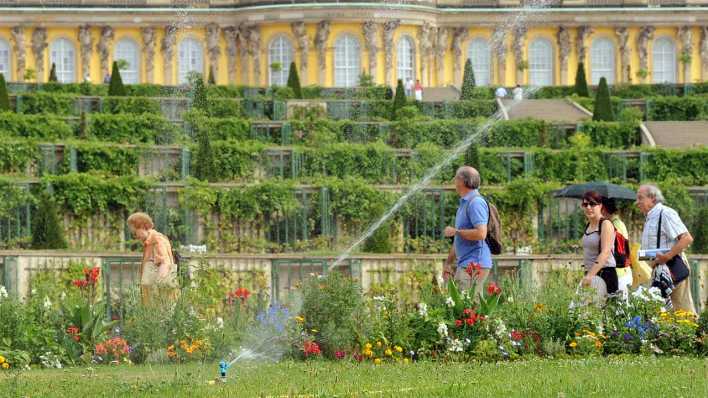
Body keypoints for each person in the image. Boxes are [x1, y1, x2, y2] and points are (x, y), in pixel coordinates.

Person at [636, 184, 695, 314]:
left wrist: (667, 256)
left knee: (682, 310)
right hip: (659, 269)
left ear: (652, 198)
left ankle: (698, 335)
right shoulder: (650, 217)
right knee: (663, 312)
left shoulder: (665, 213)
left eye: (640, 198)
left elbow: (687, 238)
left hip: (673, 267)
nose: (637, 202)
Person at [443, 166, 492, 297]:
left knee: (469, 308)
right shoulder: (464, 203)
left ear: (462, 181)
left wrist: (456, 231)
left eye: (455, 177)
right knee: (464, 307)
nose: (454, 181)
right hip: (465, 263)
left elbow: (481, 233)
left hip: (474, 264)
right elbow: (459, 238)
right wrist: (448, 263)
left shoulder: (475, 202)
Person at [127, 212, 178, 305]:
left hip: (160, 297)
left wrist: (156, 290)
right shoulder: (150, 241)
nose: (135, 236)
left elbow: (165, 263)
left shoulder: (157, 240)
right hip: (154, 295)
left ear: (142, 226)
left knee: (161, 317)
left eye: (135, 232)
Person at [580, 191, 618, 303]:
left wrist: (589, 276)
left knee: (605, 314)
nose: (588, 207)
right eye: (585, 204)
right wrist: (588, 274)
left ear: (600, 206)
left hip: (605, 274)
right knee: (588, 315)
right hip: (590, 274)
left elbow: (605, 252)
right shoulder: (589, 225)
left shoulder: (605, 224)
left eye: (592, 204)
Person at [601, 197, 632, 297]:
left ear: (603, 209)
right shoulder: (619, 223)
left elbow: (609, 251)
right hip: (624, 271)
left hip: (618, 274)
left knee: (619, 310)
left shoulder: (613, 226)